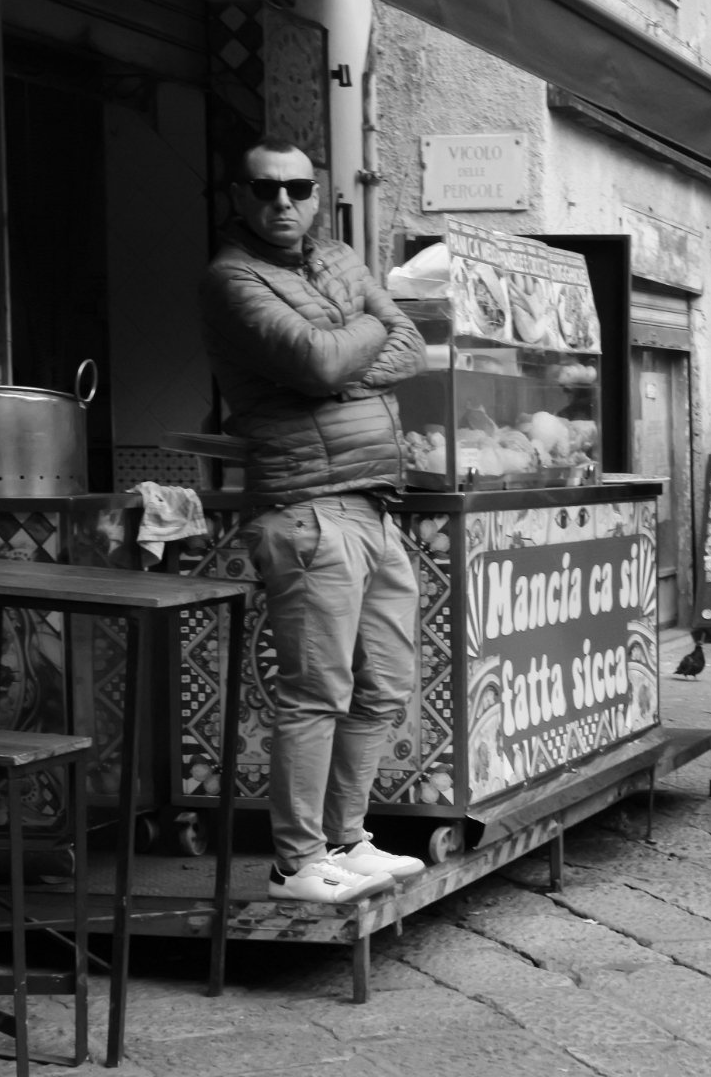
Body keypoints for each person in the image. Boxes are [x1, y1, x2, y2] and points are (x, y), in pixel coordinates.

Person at [202, 136, 428, 903]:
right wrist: (346, 351)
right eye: (265, 190)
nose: (283, 204)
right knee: (316, 693)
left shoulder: (340, 257)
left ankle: (345, 838)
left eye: (297, 188)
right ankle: (297, 863)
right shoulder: (231, 279)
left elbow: (413, 344)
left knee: (387, 683)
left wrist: (338, 353)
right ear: (240, 194)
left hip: (370, 503)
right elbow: (322, 363)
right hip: (304, 509)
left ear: (316, 189)